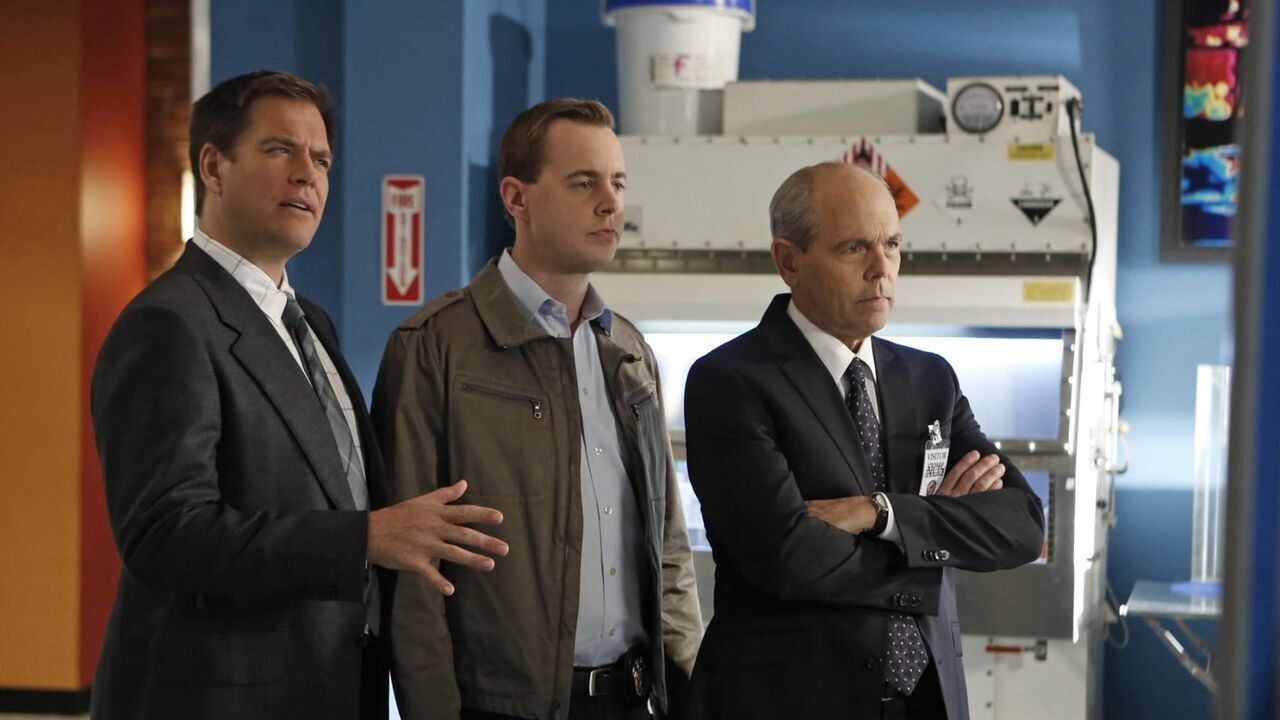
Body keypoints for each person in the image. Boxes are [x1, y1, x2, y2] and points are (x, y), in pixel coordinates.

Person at [90, 70, 508, 720]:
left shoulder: (311, 321)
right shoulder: (169, 323)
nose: (307, 175)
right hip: (220, 700)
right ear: (214, 166)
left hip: (330, 686)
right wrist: (363, 538)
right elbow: (166, 536)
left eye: (321, 160)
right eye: (280, 149)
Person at [372, 98, 702, 720]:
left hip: (631, 700)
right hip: (501, 708)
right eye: (583, 183)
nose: (610, 203)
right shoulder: (434, 347)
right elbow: (411, 577)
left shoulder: (630, 352)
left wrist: (691, 693)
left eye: (618, 183)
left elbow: (668, 548)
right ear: (516, 198)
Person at [682, 162, 1046, 720]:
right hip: (792, 703)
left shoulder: (930, 379)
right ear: (788, 261)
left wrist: (879, 513)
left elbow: (1022, 525)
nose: (881, 270)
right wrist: (934, 542)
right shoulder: (731, 380)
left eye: (892, 245)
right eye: (854, 248)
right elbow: (790, 557)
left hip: (927, 702)